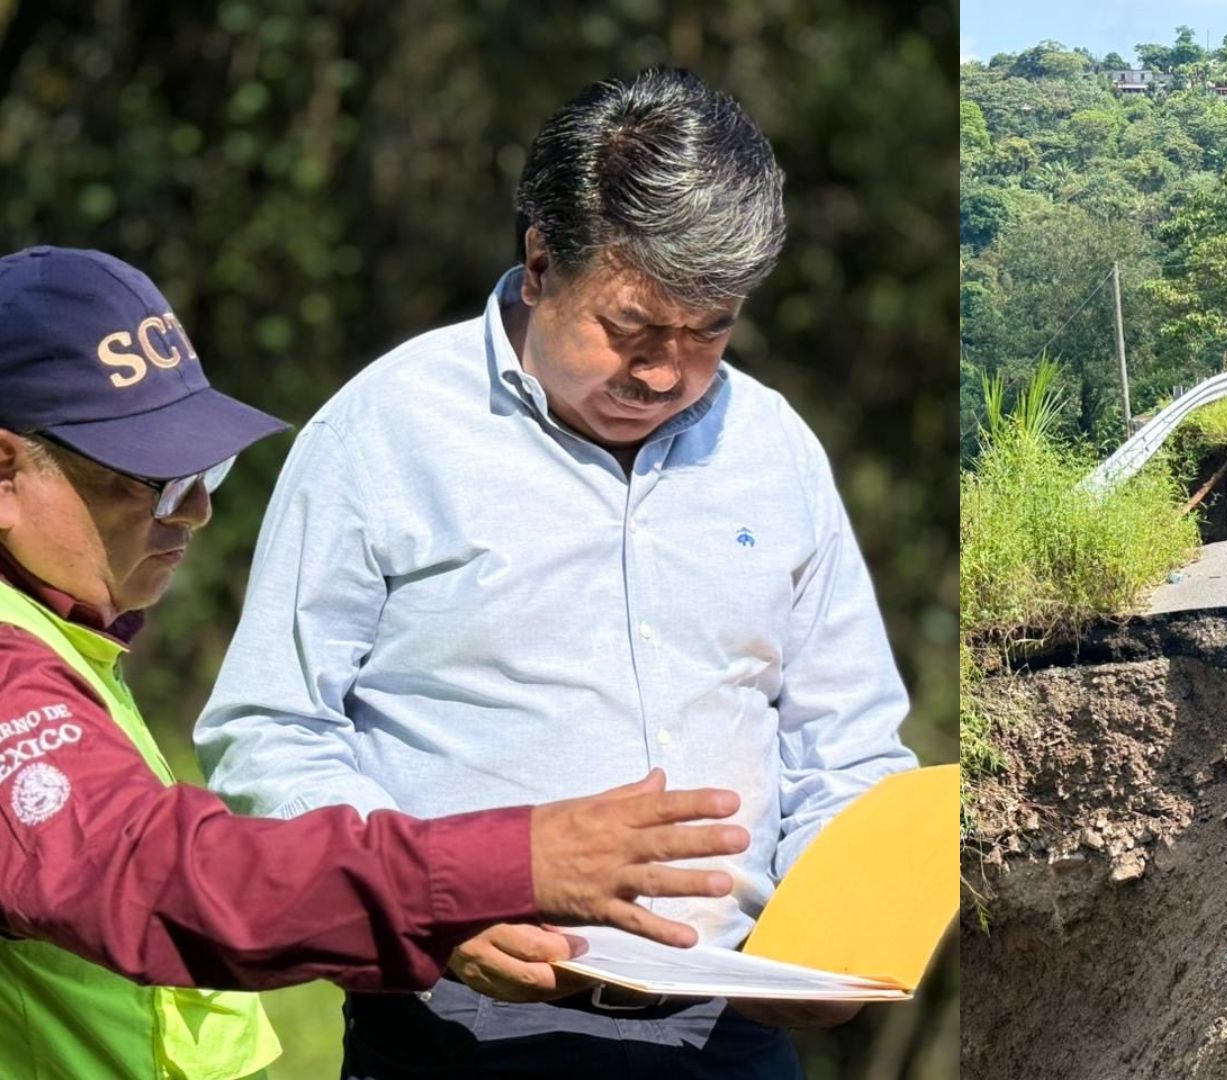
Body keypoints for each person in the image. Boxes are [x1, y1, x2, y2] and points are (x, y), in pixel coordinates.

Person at [195, 70, 917, 1077]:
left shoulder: (777, 450)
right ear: (540, 262)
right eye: (631, 328)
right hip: (462, 1027)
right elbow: (273, 729)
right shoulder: (387, 430)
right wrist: (423, 913)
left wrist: (847, 934)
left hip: (735, 1028)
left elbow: (846, 745)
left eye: (708, 330)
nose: (667, 371)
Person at [0, 245, 758, 1079]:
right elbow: (159, 875)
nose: (199, 513)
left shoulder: (59, 638)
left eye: (206, 471)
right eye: (155, 481)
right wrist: (506, 863)